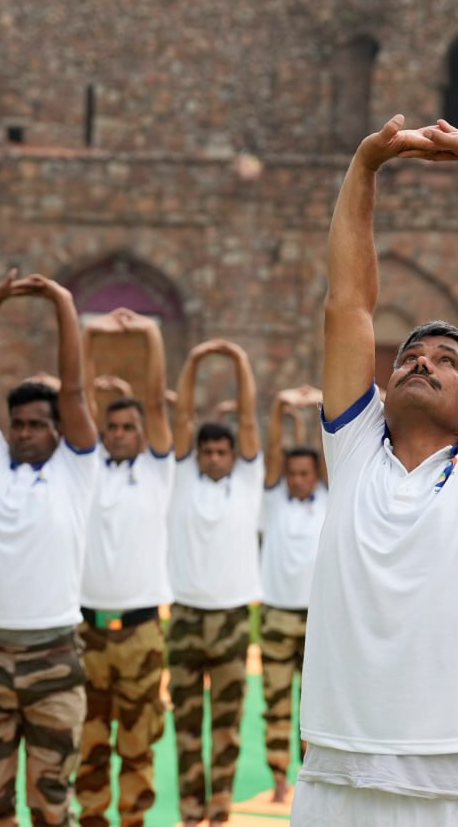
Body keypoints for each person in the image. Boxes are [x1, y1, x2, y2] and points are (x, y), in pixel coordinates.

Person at [292, 115, 458, 826]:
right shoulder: (354, 446)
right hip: (338, 775)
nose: (422, 360)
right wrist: (364, 165)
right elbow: (349, 304)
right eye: (409, 356)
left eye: (446, 360)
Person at [0, 269, 99, 826]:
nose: (23, 432)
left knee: (50, 802)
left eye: (37, 424)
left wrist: (63, 301)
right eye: (16, 424)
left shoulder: (75, 467)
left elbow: (75, 390)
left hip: (54, 657)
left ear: (58, 431)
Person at [74, 307, 174, 827]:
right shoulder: (88, 468)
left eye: (127, 426)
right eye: (111, 426)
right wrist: (89, 333)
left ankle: (133, 820)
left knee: (138, 744)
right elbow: (80, 397)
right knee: (88, 743)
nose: (117, 432)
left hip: (139, 631)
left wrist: (150, 333)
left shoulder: (158, 471)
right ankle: (92, 818)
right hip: (87, 629)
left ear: (141, 432)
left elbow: (156, 400)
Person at [167, 337, 263, 827]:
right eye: (207, 451)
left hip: (229, 617)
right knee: (185, 724)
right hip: (183, 615)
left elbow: (248, 421)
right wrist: (196, 359)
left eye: (222, 451)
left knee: (225, 724)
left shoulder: (246, 483)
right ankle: (189, 810)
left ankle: (220, 806)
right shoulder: (180, 478)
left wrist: (240, 359)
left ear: (232, 455)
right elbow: (181, 418)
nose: (214, 456)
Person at [259, 384, 325, 804]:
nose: (298, 480)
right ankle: (278, 775)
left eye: (305, 474)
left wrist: (324, 405)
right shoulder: (272, 500)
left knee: (313, 705)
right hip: (277, 615)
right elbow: (270, 452)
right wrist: (281, 407)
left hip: (319, 620)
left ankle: (310, 774)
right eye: (292, 474)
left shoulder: (331, 499)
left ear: (316, 475)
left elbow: (338, 445)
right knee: (276, 700)